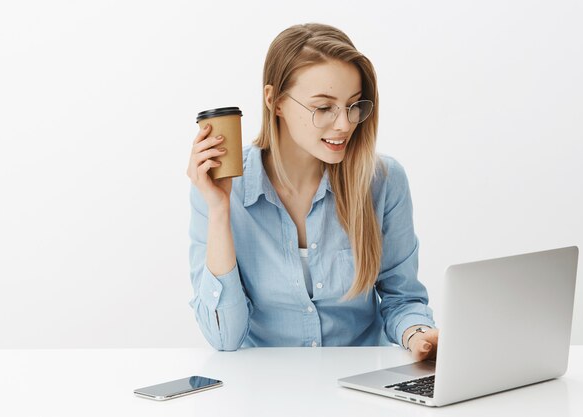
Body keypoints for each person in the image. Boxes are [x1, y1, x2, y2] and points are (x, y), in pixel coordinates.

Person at [187, 23, 438, 361]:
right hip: (265, 391)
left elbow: (402, 298)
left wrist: (417, 334)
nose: (345, 124)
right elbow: (225, 337)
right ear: (274, 100)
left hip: (359, 384)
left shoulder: (383, 181)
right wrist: (219, 209)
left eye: (353, 105)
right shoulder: (224, 189)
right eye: (324, 108)